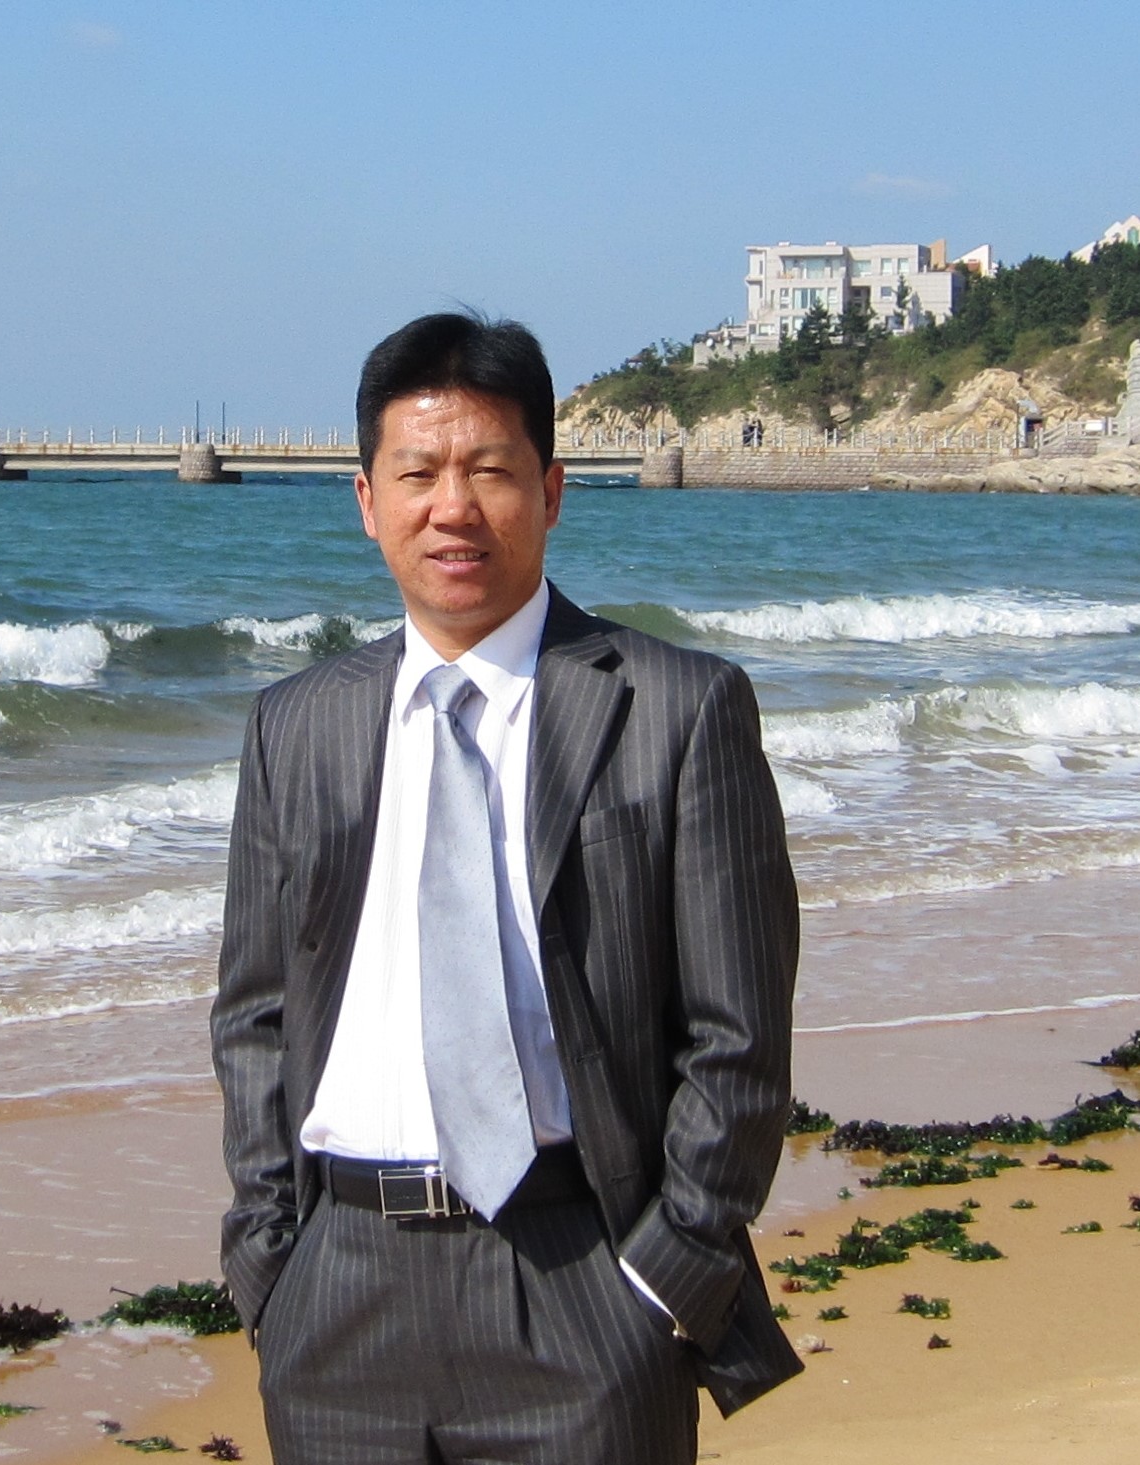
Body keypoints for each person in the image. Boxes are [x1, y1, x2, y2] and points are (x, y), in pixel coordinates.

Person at [211, 312, 801, 1465]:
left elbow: (739, 1037)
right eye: (417, 473)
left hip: (583, 1282)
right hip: (337, 1298)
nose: (454, 507)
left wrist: (671, 1272)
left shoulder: (678, 709)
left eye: (489, 470)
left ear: (551, 490)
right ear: (366, 500)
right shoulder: (297, 726)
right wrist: (268, 1257)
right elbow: (255, 1012)